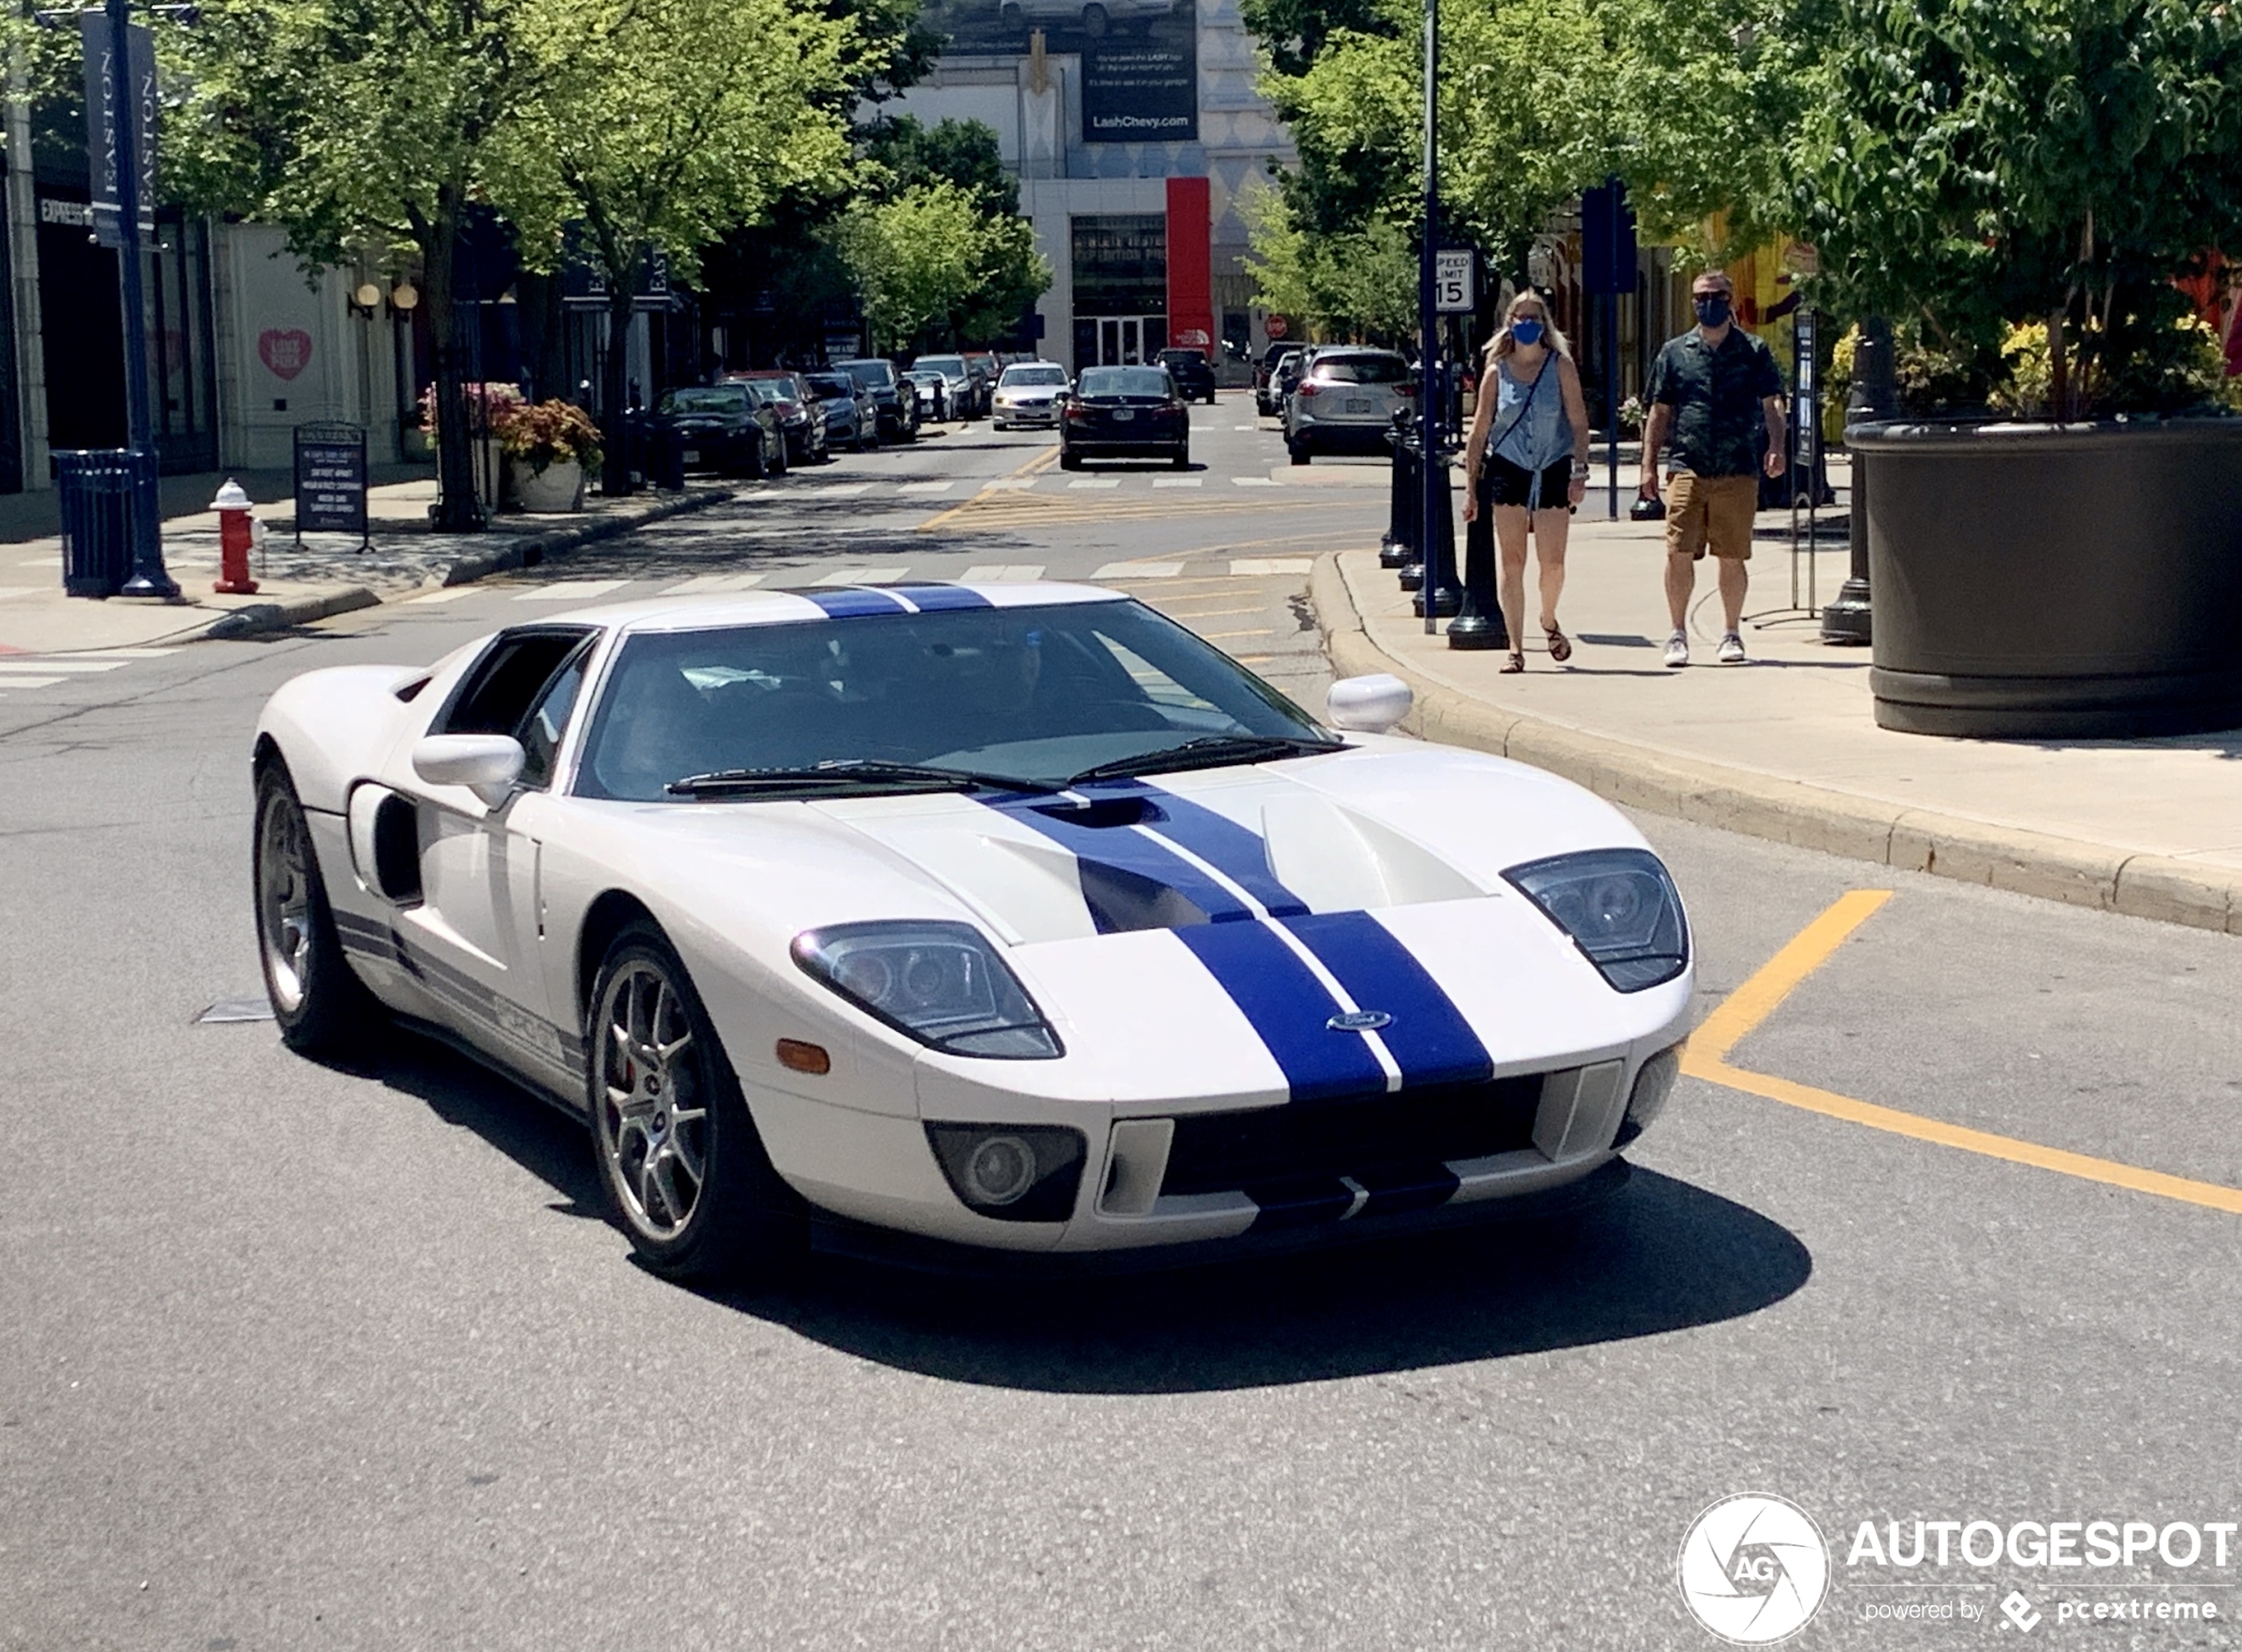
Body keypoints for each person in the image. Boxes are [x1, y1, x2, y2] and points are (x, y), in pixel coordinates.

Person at [1638, 269, 1787, 667]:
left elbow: (1772, 401)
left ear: (1730, 299)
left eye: (1716, 295)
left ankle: (1731, 633)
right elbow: (1659, 410)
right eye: (1701, 296)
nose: (1708, 303)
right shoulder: (1674, 352)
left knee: (1732, 554)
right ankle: (1677, 633)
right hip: (1688, 463)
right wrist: (1648, 465)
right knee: (1678, 550)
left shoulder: (1753, 351)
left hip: (1737, 466)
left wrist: (1776, 446)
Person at [1463, 291, 1592, 672]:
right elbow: (1480, 430)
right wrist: (1471, 486)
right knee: (1513, 561)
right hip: (1509, 468)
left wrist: (1580, 470)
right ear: (1509, 322)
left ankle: (1548, 619)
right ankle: (1515, 648)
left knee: (1552, 564)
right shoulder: (1496, 372)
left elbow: (1579, 423)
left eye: (1535, 317)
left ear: (1545, 323)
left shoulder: (1561, 367)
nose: (1527, 324)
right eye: (1520, 317)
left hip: (1552, 466)